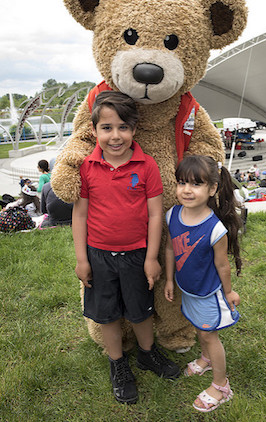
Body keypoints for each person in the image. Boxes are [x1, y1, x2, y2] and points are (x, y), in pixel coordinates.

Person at [72, 91, 180, 405]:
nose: (115, 135)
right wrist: (82, 259)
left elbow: (156, 213)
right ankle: (118, 364)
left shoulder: (145, 166)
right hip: (99, 256)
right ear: (94, 131)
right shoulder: (87, 167)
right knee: (106, 315)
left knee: (140, 310)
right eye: (107, 128)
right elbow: (79, 214)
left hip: (136, 255)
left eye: (123, 127)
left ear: (134, 129)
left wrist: (150, 258)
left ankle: (147, 355)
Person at [164, 155, 241, 413]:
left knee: (209, 334)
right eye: (182, 182)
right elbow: (170, 248)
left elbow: (222, 265)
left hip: (209, 293)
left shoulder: (215, 229)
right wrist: (169, 279)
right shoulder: (172, 214)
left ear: (212, 189)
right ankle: (206, 359)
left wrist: (229, 292)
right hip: (188, 289)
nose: (187, 190)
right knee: (199, 326)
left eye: (196, 184)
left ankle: (221, 386)